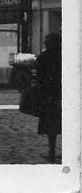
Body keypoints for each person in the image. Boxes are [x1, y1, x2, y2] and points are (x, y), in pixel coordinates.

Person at [36, 33, 61, 162]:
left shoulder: (44, 57)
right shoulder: (65, 56)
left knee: (51, 125)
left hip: (50, 96)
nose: (45, 43)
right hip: (63, 94)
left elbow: (38, 76)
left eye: (47, 41)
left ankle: (51, 152)